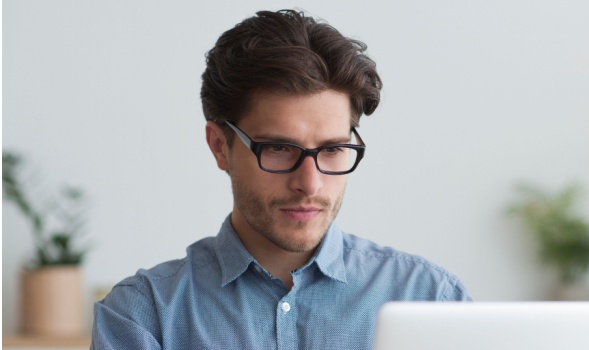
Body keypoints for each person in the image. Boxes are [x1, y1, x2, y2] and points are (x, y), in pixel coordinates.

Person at [91, 9, 471, 350]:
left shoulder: (432, 300)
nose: (310, 183)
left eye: (332, 149)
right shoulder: (145, 316)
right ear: (220, 146)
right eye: (278, 148)